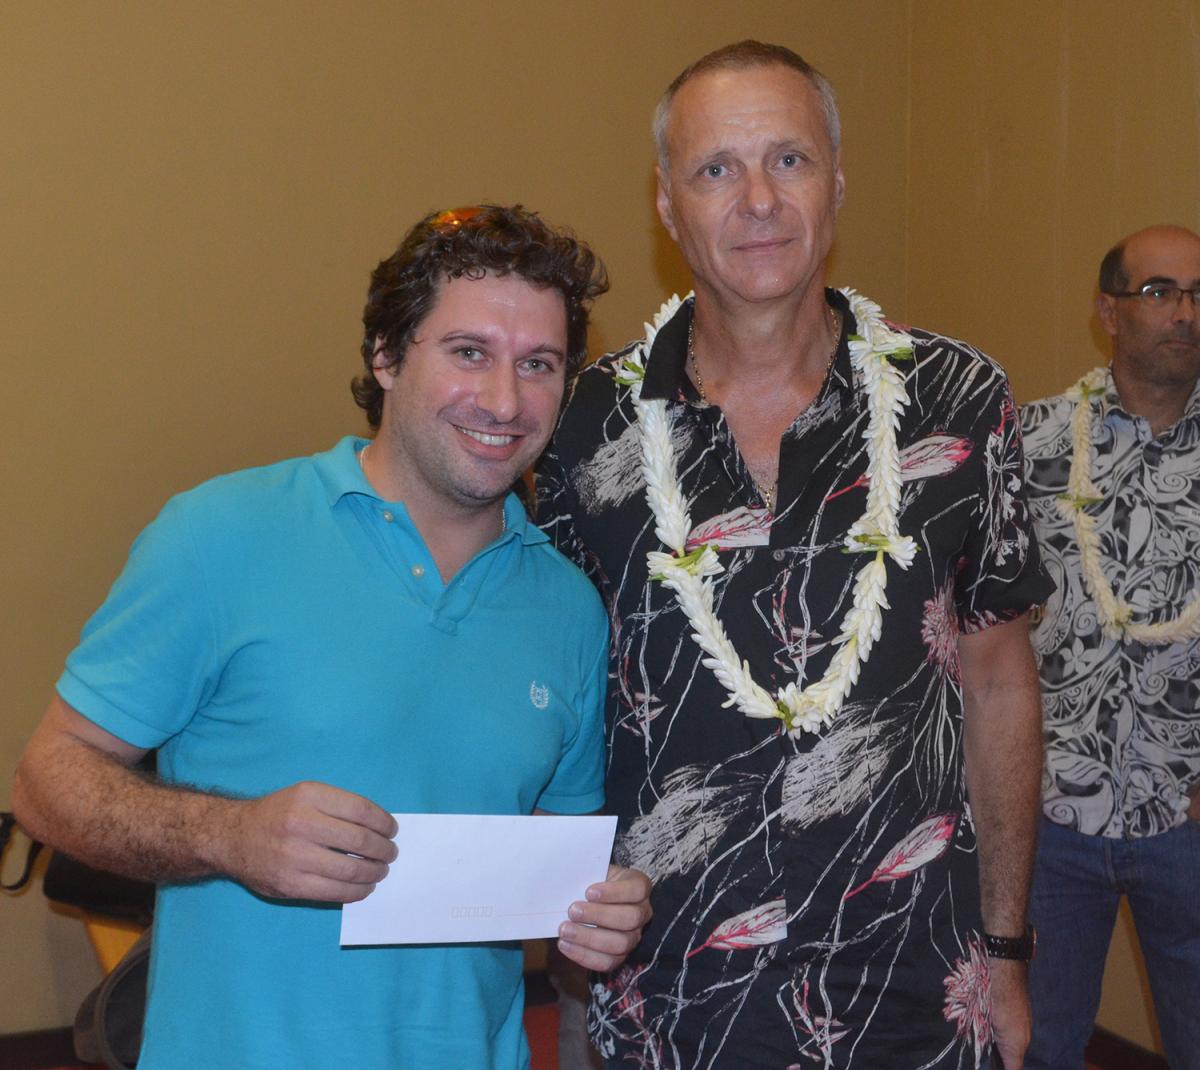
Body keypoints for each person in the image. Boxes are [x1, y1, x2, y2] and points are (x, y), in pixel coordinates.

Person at [12, 204, 652, 1070]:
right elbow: (46, 783)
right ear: (385, 356)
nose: (505, 400)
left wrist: (601, 915)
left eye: (537, 364)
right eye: (469, 352)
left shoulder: (569, 610)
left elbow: (554, 875)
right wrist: (228, 837)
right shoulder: (222, 535)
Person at [537, 42, 1051, 1068]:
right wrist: (556, 938)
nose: (760, 200)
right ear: (667, 205)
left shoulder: (957, 398)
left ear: (838, 182)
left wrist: (1003, 949)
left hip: (913, 990)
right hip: (669, 994)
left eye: (789, 159)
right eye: (716, 169)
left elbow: (999, 679)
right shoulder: (584, 423)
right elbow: (549, 688)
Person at [1020, 225, 1200, 1070]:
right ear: (1108, 311)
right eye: (1159, 291)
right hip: (1053, 816)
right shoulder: (1033, 443)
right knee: (1039, 1045)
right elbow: (981, 622)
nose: (1185, 313)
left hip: (1188, 818)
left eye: (1198, 294)